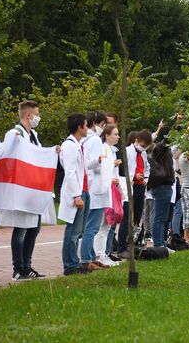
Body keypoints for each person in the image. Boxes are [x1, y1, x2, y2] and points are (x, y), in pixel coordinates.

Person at [0, 100, 49, 281]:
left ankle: (27, 265)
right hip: (21, 188)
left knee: (34, 228)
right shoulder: (14, 133)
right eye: (37, 113)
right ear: (29, 115)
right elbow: (7, 157)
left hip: (34, 188)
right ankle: (18, 268)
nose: (38, 117)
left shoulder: (33, 135)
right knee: (20, 229)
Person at [59, 114, 91, 275]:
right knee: (72, 231)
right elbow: (70, 172)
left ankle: (74, 262)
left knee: (78, 231)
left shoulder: (77, 145)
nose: (87, 128)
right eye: (86, 125)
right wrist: (76, 196)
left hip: (83, 190)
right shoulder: (69, 145)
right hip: (76, 193)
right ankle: (70, 265)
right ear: (79, 127)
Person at [79, 111, 108, 271]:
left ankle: (90, 256)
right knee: (92, 226)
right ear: (95, 123)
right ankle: (86, 258)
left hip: (88, 183)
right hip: (96, 185)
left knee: (89, 225)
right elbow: (95, 164)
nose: (102, 129)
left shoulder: (83, 139)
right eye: (102, 125)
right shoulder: (95, 140)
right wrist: (104, 163)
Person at [116, 130, 152, 259]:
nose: (143, 148)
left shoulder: (143, 154)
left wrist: (145, 179)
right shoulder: (127, 151)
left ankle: (134, 244)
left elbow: (147, 167)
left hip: (139, 186)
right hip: (129, 185)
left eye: (145, 146)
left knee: (137, 218)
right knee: (127, 218)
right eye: (142, 145)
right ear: (136, 141)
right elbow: (121, 168)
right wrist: (132, 176)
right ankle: (121, 247)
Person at [94, 125, 122, 267]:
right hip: (105, 189)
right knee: (102, 224)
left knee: (107, 225)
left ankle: (102, 253)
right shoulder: (103, 149)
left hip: (111, 189)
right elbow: (99, 169)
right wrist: (112, 166)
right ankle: (98, 254)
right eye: (115, 134)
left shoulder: (112, 151)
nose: (118, 137)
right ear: (107, 135)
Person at [147, 134, 175, 248]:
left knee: (163, 217)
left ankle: (161, 242)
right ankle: (158, 243)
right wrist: (177, 126)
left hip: (166, 185)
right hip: (162, 185)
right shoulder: (160, 148)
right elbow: (166, 141)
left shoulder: (164, 150)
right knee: (159, 217)